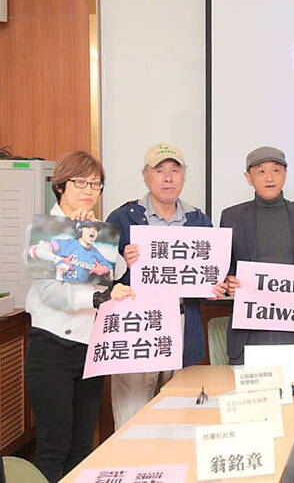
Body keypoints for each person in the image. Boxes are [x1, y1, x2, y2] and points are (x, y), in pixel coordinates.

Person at [24, 151, 133, 482]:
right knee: (53, 446)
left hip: (89, 347)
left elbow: (105, 277)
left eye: (96, 183)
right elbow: (49, 292)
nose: (90, 189)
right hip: (51, 346)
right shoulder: (43, 229)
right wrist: (98, 295)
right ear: (60, 185)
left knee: (82, 445)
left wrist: (124, 260)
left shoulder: (99, 231)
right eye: (81, 182)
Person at [106, 143, 213, 429]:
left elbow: (209, 278)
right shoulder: (122, 218)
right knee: (132, 416)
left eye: (175, 171)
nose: (168, 178)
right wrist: (123, 264)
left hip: (181, 322)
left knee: (179, 413)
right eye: (159, 170)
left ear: (183, 177)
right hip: (138, 325)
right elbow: (102, 277)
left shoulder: (199, 221)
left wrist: (216, 284)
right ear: (145, 176)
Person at [213, 146, 294, 365]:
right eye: (261, 171)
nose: (269, 177)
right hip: (249, 328)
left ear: (285, 174)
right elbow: (224, 268)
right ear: (248, 177)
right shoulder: (232, 216)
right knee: (249, 395)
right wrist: (228, 280)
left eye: (276, 170)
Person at [28, 220, 113, 284]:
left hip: (78, 292)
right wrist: (57, 259)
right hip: (58, 287)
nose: (93, 231)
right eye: (88, 228)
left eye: (95, 229)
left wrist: (107, 271)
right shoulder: (67, 244)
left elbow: (111, 275)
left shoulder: (96, 253)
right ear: (80, 230)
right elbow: (35, 249)